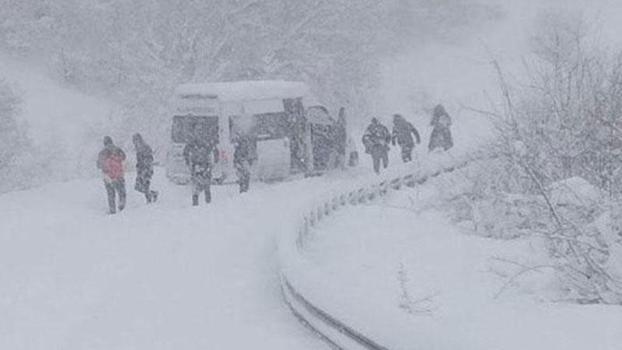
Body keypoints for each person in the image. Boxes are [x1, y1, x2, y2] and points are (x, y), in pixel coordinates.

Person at [183, 132, 217, 206]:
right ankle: (205, 203)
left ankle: (201, 203)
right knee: (202, 187)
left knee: (200, 187)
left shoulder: (194, 146)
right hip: (200, 168)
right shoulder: (207, 145)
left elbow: (187, 155)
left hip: (201, 168)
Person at [96, 136, 127, 214]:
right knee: (121, 191)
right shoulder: (118, 149)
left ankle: (112, 210)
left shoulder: (102, 152)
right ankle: (121, 204)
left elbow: (99, 165)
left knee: (111, 194)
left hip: (108, 177)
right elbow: (124, 157)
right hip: (119, 174)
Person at [132, 133, 158, 203]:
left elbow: (149, 159)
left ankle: (149, 199)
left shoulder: (145, 147)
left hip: (146, 169)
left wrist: (146, 168)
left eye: (135, 140)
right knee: (138, 186)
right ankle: (153, 194)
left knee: (145, 185)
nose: (134, 142)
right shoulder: (138, 149)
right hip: (141, 169)